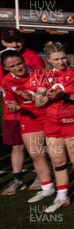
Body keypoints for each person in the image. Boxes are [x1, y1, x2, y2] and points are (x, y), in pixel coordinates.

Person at [34, 42, 74, 213]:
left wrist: (64, 95)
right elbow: (38, 102)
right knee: (58, 162)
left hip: (73, 122)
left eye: (63, 57)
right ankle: (62, 197)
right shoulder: (44, 76)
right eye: (56, 59)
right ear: (49, 61)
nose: (61, 62)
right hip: (52, 124)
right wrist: (49, 97)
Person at [1, 50, 55, 203]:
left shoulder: (40, 73)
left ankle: (64, 188)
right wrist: (13, 107)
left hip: (50, 114)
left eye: (19, 63)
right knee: (37, 154)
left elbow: (47, 96)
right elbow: (10, 101)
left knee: (57, 154)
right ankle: (47, 187)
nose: (18, 68)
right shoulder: (6, 81)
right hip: (29, 119)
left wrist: (33, 97)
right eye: (12, 66)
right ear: (6, 68)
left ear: (23, 61)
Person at [1, 28, 45, 194]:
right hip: (12, 110)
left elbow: (41, 84)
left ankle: (41, 176)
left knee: (38, 146)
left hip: (34, 109)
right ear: (4, 42)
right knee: (16, 145)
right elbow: (5, 84)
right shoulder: (3, 59)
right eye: (10, 41)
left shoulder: (34, 58)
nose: (15, 44)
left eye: (18, 40)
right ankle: (17, 179)